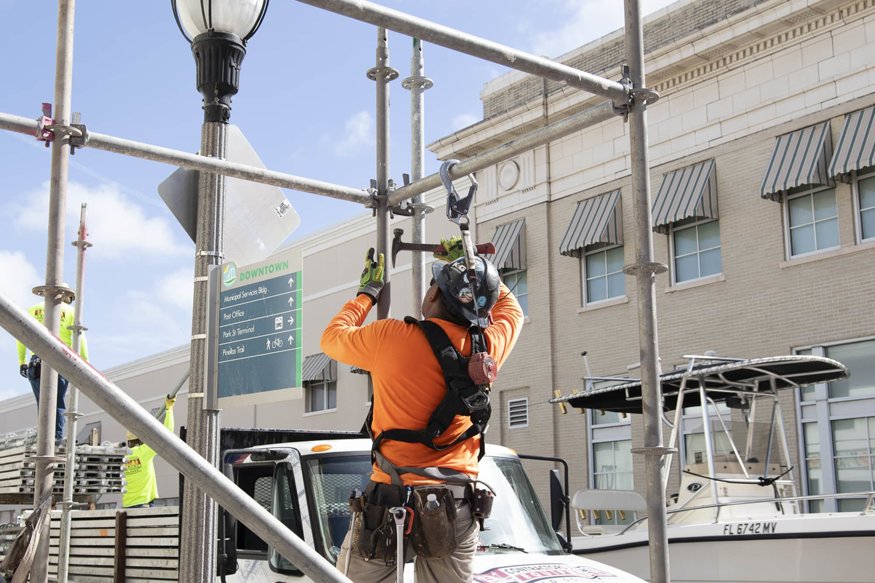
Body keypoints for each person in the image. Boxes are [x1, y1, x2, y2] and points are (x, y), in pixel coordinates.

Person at [321, 238, 523, 583]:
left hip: (388, 497)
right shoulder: (486, 348)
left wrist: (368, 293)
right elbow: (512, 310)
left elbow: (332, 337)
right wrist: (475, 269)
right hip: (456, 503)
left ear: (432, 296)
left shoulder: (391, 337)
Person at [16, 285, 89, 441]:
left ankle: (44, 437)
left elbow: (21, 336)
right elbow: (80, 336)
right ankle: (54, 437)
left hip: (36, 362)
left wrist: (22, 361)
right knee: (57, 402)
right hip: (62, 360)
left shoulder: (32, 310)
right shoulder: (70, 312)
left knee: (42, 402)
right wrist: (85, 361)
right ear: (66, 295)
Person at [123, 396, 176, 509]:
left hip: (127, 506)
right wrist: (169, 408)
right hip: (144, 505)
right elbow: (167, 435)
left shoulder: (122, 456)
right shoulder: (144, 451)